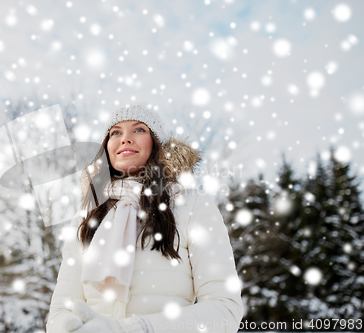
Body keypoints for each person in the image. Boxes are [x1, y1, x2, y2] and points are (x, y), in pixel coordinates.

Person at [46, 104, 243, 333]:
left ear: (157, 145)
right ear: (106, 148)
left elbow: (224, 309)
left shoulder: (193, 204)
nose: (125, 139)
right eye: (115, 132)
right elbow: (61, 310)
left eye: (139, 130)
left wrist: (138, 328)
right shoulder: (87, 216)